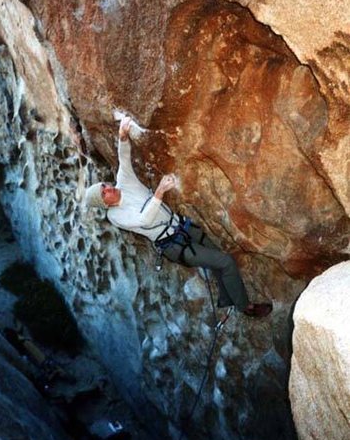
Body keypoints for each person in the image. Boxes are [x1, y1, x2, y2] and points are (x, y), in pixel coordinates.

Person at [85, 117, 272, 318]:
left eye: (105, 186)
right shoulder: (116, 216)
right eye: (104, 193)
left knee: (217, 258)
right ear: (104, 203)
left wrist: (122, 136)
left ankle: (227, 299)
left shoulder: (123, 181)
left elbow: (123, 158)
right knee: (225, 262)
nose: (109, 188)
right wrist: (159, 192)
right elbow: (144, 221)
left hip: (181, 226)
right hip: (173, 245)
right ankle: (245, 307)